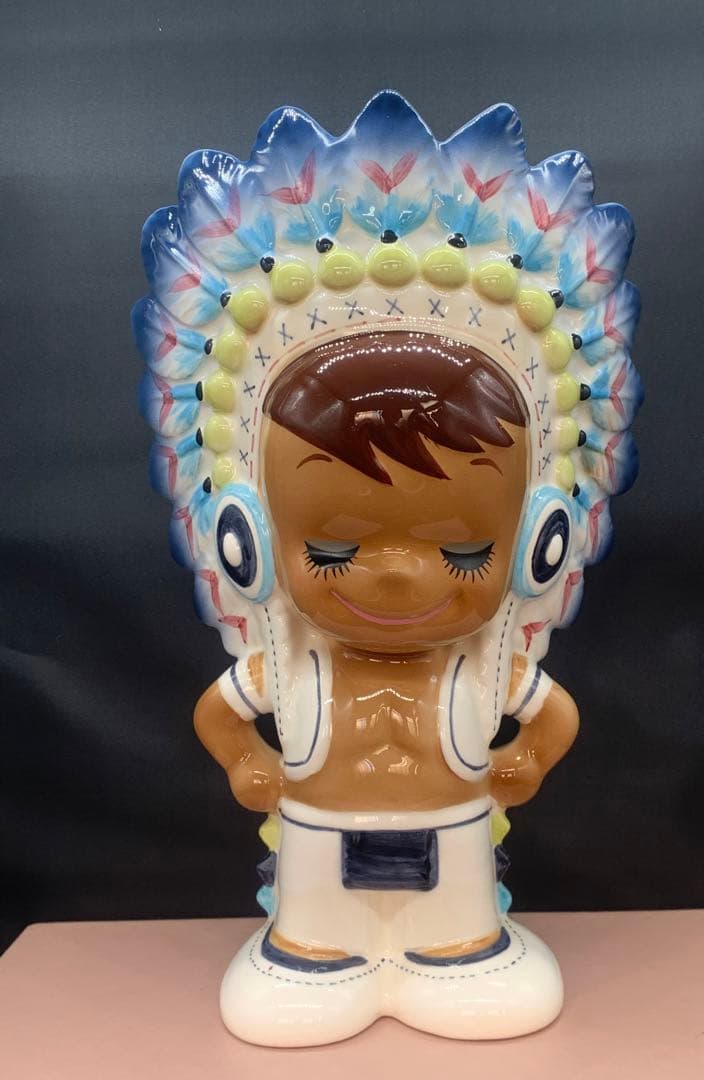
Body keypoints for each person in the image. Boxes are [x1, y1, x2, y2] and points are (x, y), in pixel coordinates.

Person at [194, 330, 578, 1042]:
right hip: (320, 838)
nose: (399, 572)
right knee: (318, 934)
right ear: (253, 547)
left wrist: (524, 763)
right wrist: (247, 762)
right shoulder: (293, 670)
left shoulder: (485, 670)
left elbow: (554, 716)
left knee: (455, 927)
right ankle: (316, 955)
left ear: (533, 548)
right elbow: (219, 712)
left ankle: (458, 953)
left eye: (463, 550)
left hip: (451, 837)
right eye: (334, 550)